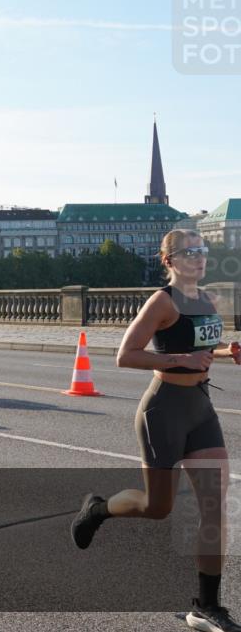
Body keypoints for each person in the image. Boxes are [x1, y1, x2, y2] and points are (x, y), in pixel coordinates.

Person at [71, 230, 241, 632]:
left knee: (214, 506)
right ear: (168, 260)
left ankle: (207, 607)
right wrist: (181, 357)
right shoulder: (161, 302)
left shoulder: (207, 300)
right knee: (158, 507)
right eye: (188, 253)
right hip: (163, 410)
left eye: (202, 251)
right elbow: (125, 355)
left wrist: (225, 351)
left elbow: (201, 348)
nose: (198, 259)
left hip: (200, 409)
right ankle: (97, 509)